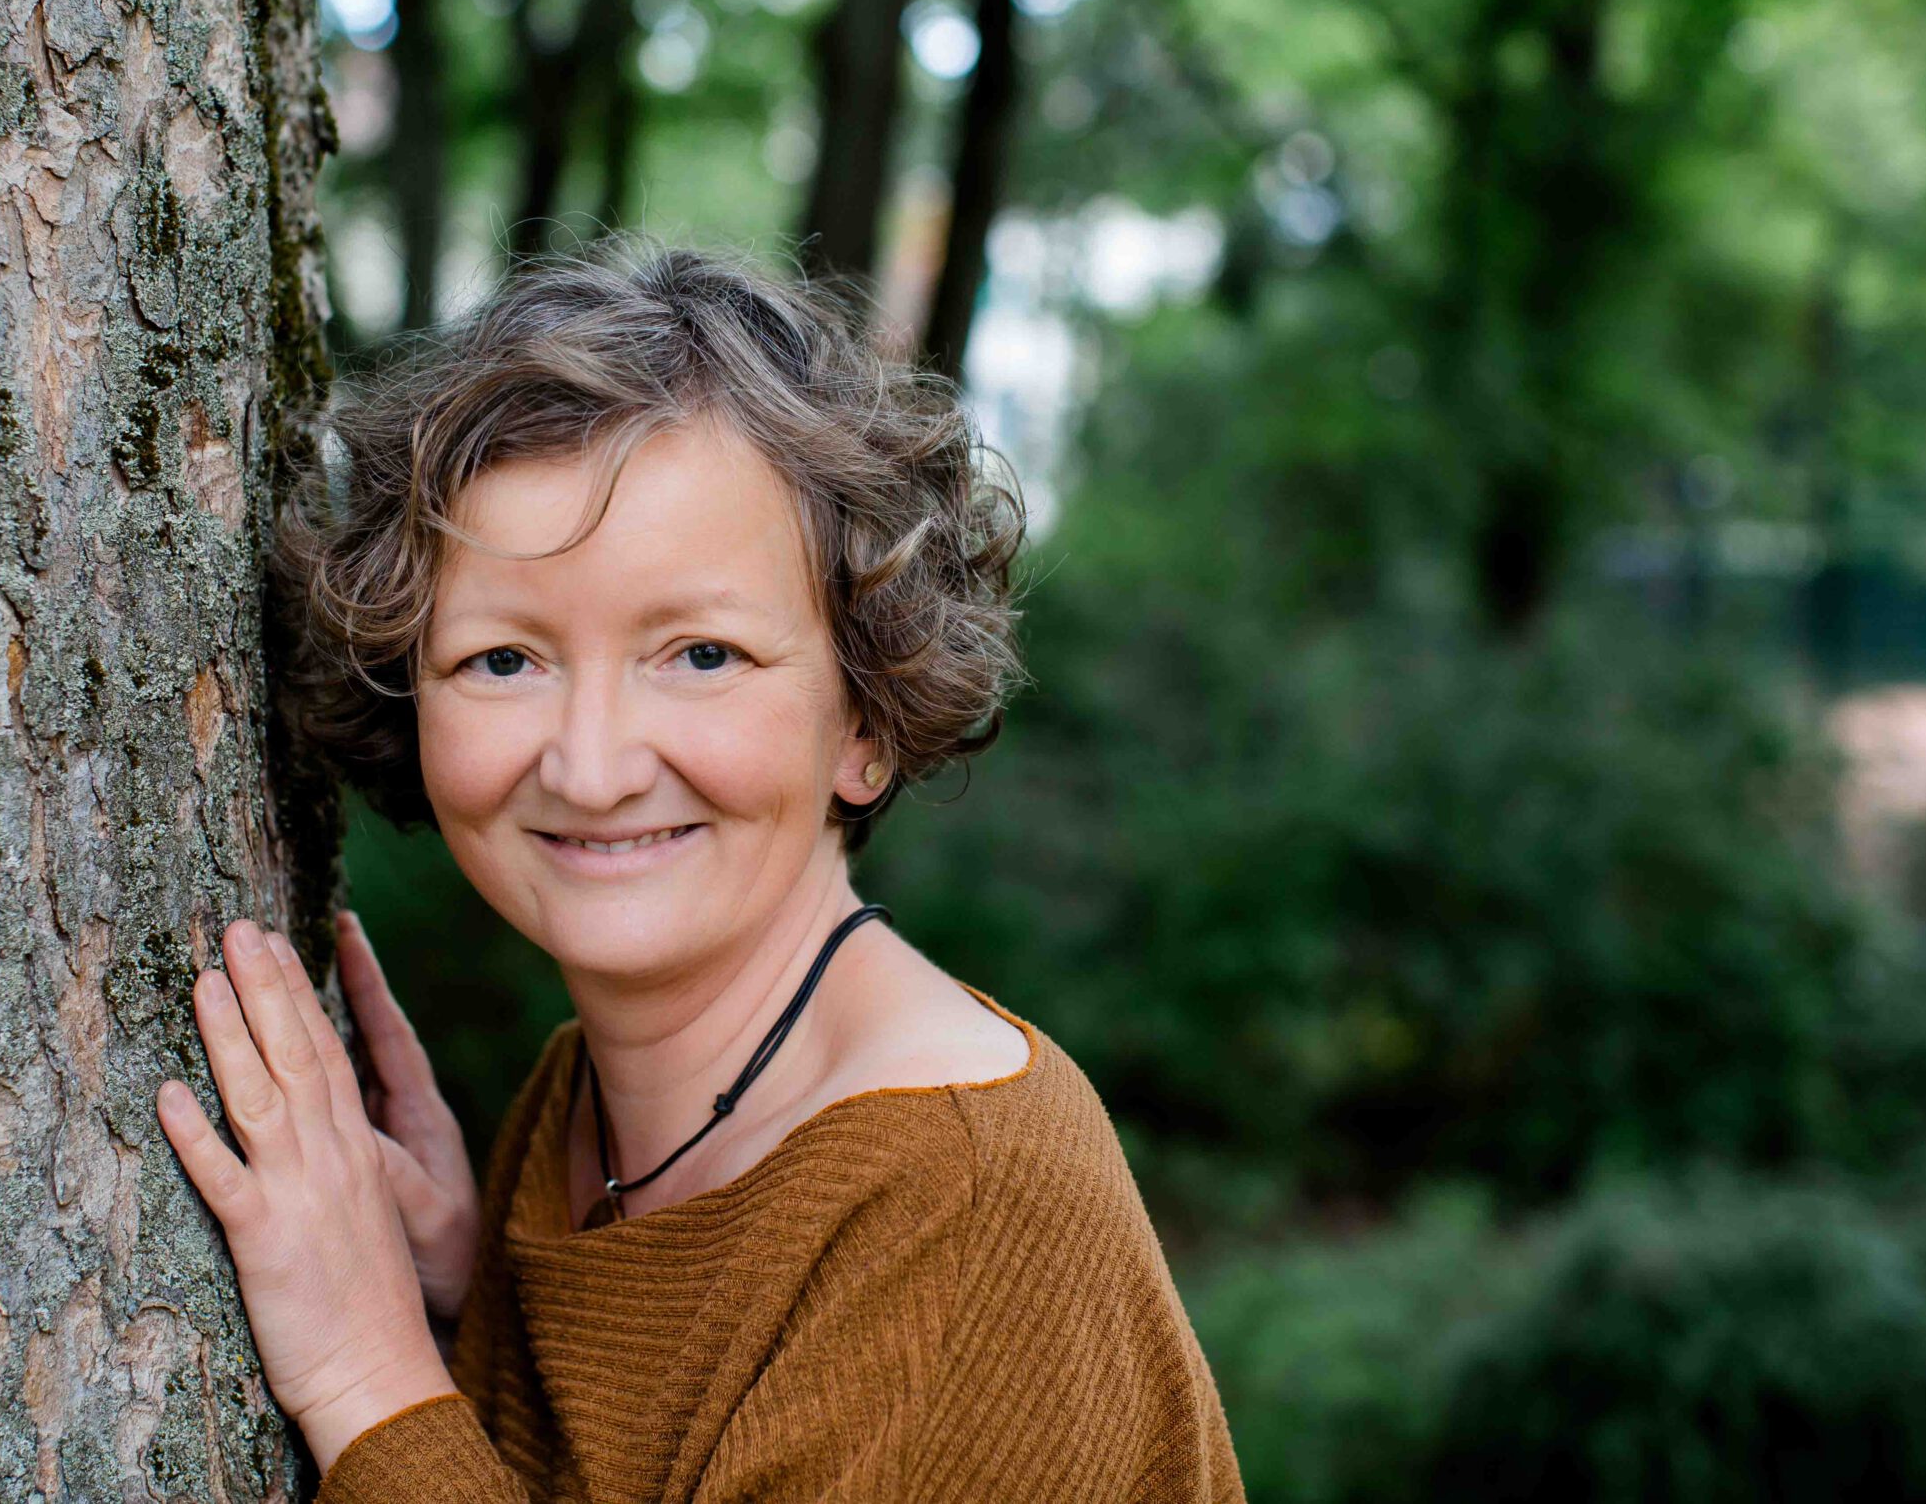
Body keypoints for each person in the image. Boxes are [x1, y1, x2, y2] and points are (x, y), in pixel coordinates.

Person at [154, 241, 1246, 1502]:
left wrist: (366, 1372)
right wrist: (474, 1304)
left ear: (864, 720)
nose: (594, 764)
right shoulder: (582, 1111)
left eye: (703, 654)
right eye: (504, 660)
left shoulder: (964, 1201)